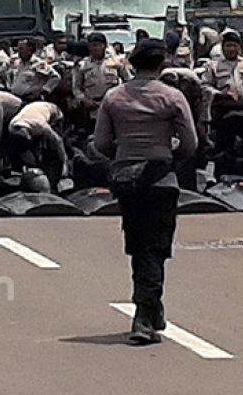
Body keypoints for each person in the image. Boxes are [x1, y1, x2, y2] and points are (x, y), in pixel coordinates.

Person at [93, 39, 197, 346]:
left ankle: (151, 308)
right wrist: (166, 157)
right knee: (156, 247)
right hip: (161, 178)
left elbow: (100, 144)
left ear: (132, 64)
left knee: (139, 244)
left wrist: (125, 155)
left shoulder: (113, 97)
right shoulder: (172, 96)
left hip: (127, 179)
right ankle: (144, 314)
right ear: (161, 64)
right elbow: (190, 143)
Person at [200, 31, 243, 171]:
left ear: (239, 48)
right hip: (224, 112)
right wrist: (218, 94)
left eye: (234, 45)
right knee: (223, 151)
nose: (231, 49)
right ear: (222, 48)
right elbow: (205, 86)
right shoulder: (213, 66)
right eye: (228, 46)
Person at [72, 33, 131, 126]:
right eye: (93, 45)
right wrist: (85, 100)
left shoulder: (116, 62)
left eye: (99, 45)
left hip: (113, 104)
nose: (96, 48)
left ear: (104, 46)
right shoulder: (81, 65)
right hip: (92, 105)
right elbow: (76, 88)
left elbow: (128, 81)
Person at [6, 101, 68, 181]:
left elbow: (58, 141)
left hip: (50, 111)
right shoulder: (12, 127)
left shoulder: (40, 125)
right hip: (34, 112)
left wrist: (64, 162)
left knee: (53, 143)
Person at [8, 37, 60, 103]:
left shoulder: (38, 64)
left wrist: (45, 90)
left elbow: (55, 77)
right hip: (15, 98)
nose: (19, 52)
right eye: (18, 49)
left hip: (30, 100)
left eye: (21, 49)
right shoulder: (17, 63)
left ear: (30, 49)